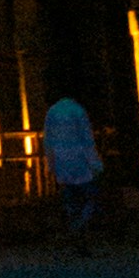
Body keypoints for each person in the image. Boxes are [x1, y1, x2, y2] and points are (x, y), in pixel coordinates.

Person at [41, 93, 104, 250]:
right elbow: (87, 139)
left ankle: (75, 230)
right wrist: (96, 164)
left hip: (62, 162)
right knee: (89, 198)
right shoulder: (78, 111)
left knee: (70, 200)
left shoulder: (52, 112)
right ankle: (80, 228)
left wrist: (51, 164)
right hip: (81, 162)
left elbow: (48, 141)